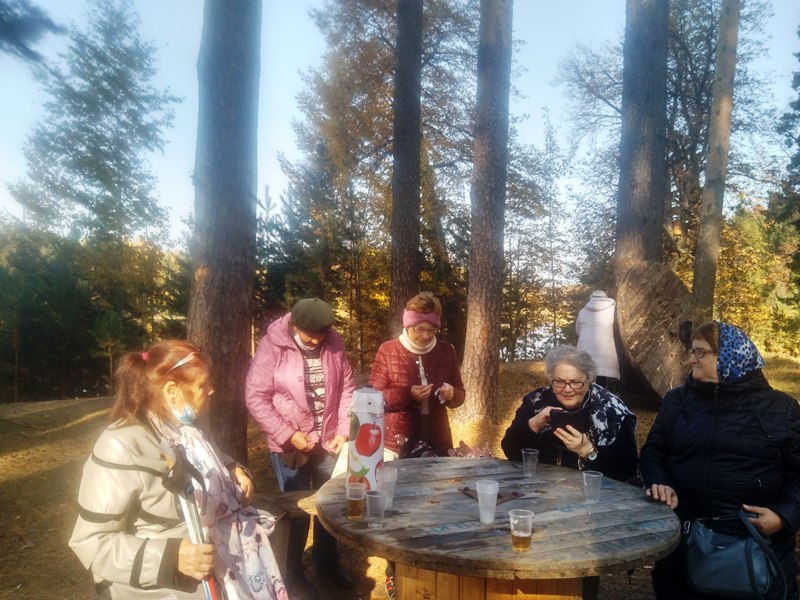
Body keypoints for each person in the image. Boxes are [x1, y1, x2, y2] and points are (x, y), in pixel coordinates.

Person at [69, 340, 287, 600]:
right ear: (172, 391)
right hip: (161, 587)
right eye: (203, 385)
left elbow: (212, 458)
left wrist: (232, 469)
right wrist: (171, 557)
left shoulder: (186, 427)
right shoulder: (120, 446)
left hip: (213, 568)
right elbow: (92, 541)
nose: (212, 390)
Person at [640, 321, 800, 600]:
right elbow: (653, 452)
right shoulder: (677, 400)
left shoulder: (780, 408)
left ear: (728, 355)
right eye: (692, 351)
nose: (692, 359)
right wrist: (659, 481)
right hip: (683, 540)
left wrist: (783, 516)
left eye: (700, 352)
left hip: (752, 548)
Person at [245, 298, 354, 599]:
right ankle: (293, 574)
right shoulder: (273, 346)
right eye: (309, 334)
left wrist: (343, 432)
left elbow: (347, 389)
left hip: (328, 442)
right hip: (291, 446)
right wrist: (288, 433)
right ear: (293, 325)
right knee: (297, 511)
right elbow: (255, 396)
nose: (316, 340)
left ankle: (327, 562)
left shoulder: (334, 343)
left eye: (321, 334)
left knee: (328, 505)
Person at [501, 344, 638, 481]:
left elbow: (627, 470)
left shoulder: (612, 409)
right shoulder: (535, 402)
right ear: (551, 381)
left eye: (576, 382)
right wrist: (533, 424)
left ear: (588, 381)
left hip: (596, 489)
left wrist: (588, 450)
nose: (567, 389)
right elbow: (511, 452)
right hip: (541, 485)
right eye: (559, 382)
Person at [369, 291, 466, 458]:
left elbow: (460, 396)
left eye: (432, 330)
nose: (426, 335)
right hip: (397, 442)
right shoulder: (388, 350)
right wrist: (408, 394)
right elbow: (372, 397)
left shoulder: (446, 351)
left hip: (439, 439)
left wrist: (452, 394)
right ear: (407, 325)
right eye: (419, 329)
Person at [575, 290, 620, 391]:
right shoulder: (612, 309)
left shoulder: (583, 311)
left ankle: (587, 395)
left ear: (591, 298)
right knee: (602, 372)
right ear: (605, 297)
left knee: (586, 372)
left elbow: (578, 330)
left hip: (585, 346)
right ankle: (601, 394)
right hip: (605, 346)